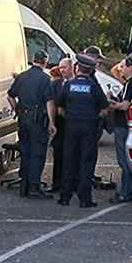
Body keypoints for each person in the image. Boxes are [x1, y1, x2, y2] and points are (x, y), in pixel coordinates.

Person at [56, 54, 109, 208]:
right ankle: (84, 199)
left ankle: (65, 197)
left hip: (71, 127)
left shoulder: (68, 85)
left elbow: (60, 108)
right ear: (90, 70)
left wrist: (70, 117)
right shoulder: (93, 86)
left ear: (77, 68)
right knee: (86, 162)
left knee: (69, 161)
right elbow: (105, 109)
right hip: (89, 128)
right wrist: (94, 118)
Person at [7, 50, 57, 199]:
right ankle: (34, 188)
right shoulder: (45, 79)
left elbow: (10, 96)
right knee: (37, 153)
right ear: (45, 62)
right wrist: (52, 122)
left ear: (34, 60)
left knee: (25, 151)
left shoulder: (22, 77)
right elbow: (49, 102)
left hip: (23, 119)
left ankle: (24, 185)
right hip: (37, 121)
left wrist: (17, 109)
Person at [109, 57, 132, 204]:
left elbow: (124, 106)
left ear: (130, 68)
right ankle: (131, 189)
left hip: (124, 124)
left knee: (124, 161)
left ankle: (125, 192)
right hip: (128, 124)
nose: (120, 69)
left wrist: (111, 104)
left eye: (123, 66)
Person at [47, 57, 74, 193]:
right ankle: (56, 183)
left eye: (65, 67)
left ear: (72, 67)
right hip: (59, 125)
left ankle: (70, 185)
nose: (62, 70)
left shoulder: (76, 84)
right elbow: (50, 101)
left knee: (72, 156)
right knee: (58, 155)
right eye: (60, 67)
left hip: (72, 125)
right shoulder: (55, 84)